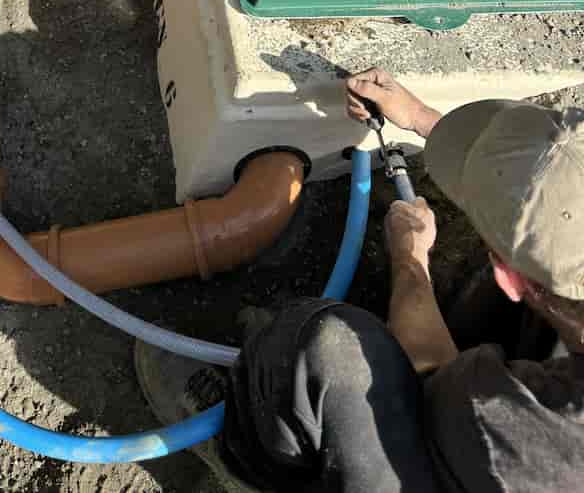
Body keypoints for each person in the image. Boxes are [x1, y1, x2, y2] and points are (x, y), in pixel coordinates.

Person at [135, 68, 584, 492]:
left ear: (510, 279)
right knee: (531, 284)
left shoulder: (522, 428)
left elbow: (429, 370)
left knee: (329, 349)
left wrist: (410, 258)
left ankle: (244, 455)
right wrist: (421, 118)